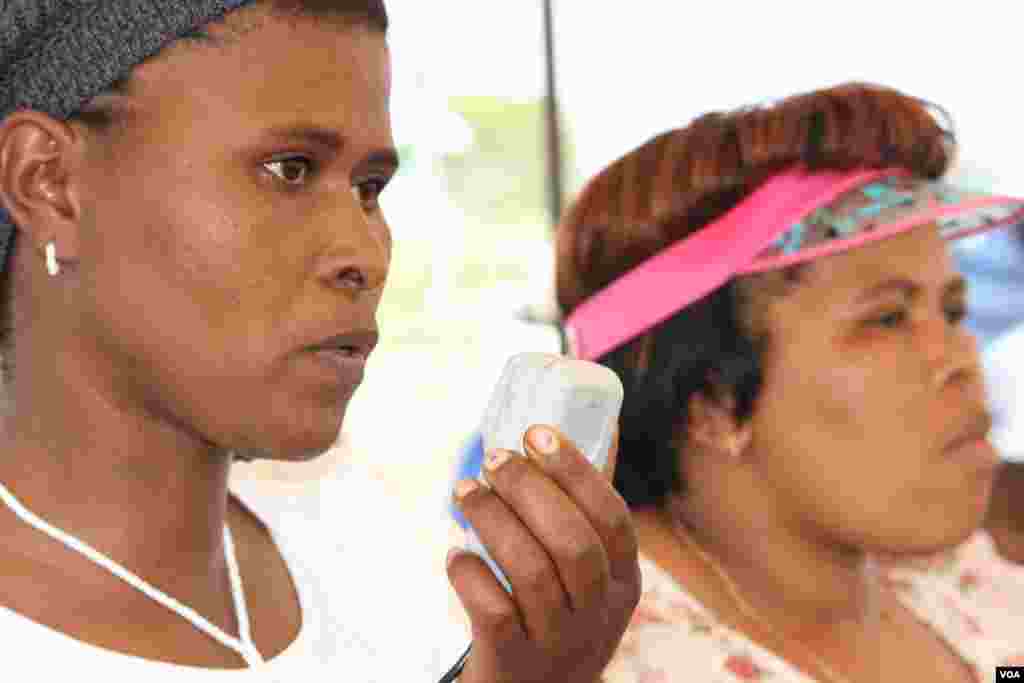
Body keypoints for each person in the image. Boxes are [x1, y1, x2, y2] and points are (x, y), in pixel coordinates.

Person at [0, 1, 640, 680]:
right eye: (290, 169)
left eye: (369, 188)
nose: (364, 253)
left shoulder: (362, 546)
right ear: (50, 184)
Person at [554, 83, 1024, 681]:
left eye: (953, 311)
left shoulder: (961, 577)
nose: (961, 357)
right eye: (887, 318)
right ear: (712, 401)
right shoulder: (595, 661)